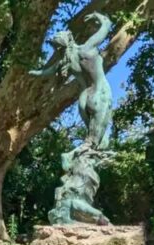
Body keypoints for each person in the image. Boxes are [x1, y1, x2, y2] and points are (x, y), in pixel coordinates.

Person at [29, 13, 114, 150]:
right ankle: (94, 143)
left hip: (101, 91)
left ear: (67, 41)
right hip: (86, 94)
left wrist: (96, 15)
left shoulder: (86, 49)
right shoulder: (65, 62)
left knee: (95, 130)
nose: (57, 50)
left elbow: (106, 25)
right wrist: (33, 73)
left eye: (58, 47)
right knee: (89, 122)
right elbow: (47, 72)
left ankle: (95, 143)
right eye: (56, 48)